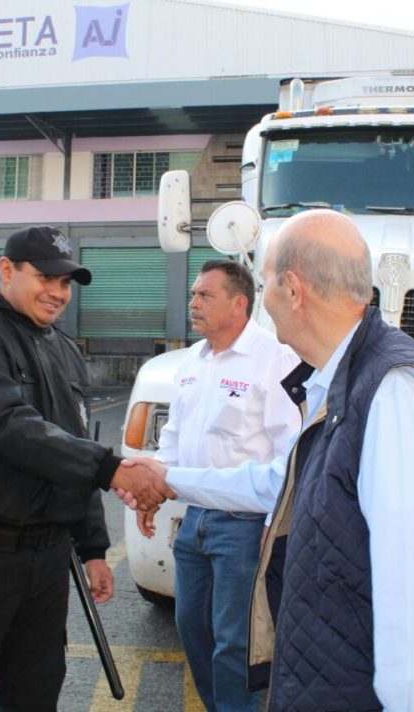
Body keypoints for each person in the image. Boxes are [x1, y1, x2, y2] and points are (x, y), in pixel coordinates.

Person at [121, 209, 414, 711]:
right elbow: (279, 482)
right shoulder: (339, 381)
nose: (263, 303)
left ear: (292, 290)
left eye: (267, 282)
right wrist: (168, 477)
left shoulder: (393, 391)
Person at [0, 225, 168, 711]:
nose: (58, 293)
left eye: (66, 283)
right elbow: (3, 422)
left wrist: (92, 548)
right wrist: (113, 470)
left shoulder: (63, 350)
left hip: (46, 560)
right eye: (46, 277)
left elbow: (73, 448)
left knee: (34, 695)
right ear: (7, 270)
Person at [154, 259, 300, 712]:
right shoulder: (193, 362)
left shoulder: (275, 360)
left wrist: (275, 525)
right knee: (192, 629)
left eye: (204, 295)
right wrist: (151, 489)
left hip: (245, 526)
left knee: (237, 642)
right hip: (194, 520)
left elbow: (291, 454)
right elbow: (173, 440)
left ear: (239, 304)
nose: (192, 302)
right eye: (194, 294)